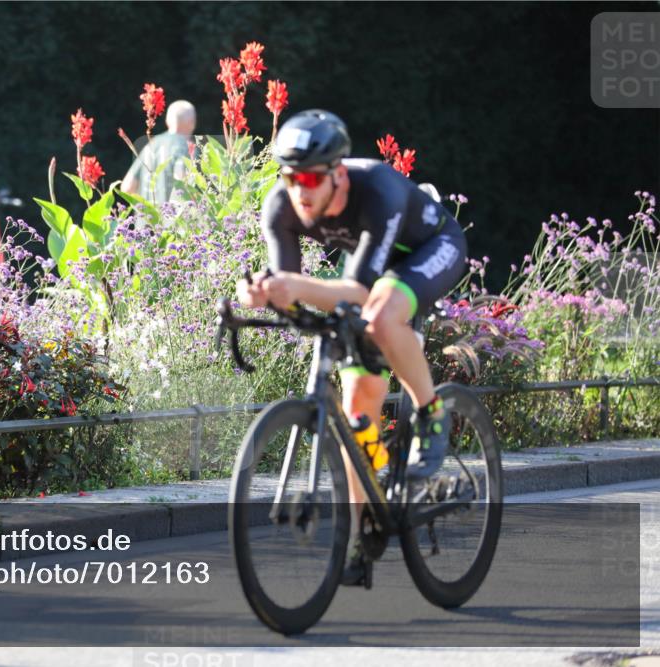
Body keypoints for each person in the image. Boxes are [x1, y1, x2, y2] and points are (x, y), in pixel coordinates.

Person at [236, 109, 467, 586]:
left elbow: (360, 290)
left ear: (337, 175)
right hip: (370, 267)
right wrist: (258, 292)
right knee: (356, 408)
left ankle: (431, 411)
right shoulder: (280, 205)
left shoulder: (376, 189)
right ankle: (366, 528)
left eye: (309, 178)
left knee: (382, 315)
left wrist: (289, 286)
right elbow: (288, 283)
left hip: (428, 251)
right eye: (289, 176)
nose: (298, 189)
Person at [121, 100, 196, 205]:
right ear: (192, 123)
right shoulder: (187, 148)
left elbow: (127, 187)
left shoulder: (151, 145)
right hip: (173, 220)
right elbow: (183, 182)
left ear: (167, 121)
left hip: (146, 219)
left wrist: (147, 209)